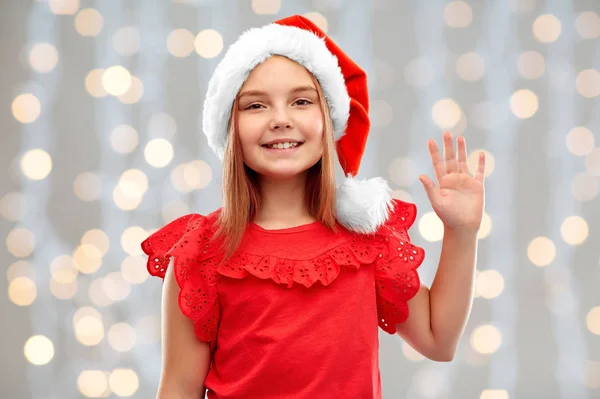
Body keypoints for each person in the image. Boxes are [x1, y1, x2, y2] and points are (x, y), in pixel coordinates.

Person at [141, 15, 486, 399]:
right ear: (230, 126)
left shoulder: (367, 240)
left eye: (301, 101)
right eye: (256, 106)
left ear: (329, 119)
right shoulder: (201, 253)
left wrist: (462, 232)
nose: (281, 120)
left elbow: (438, 340)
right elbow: (178, 388)